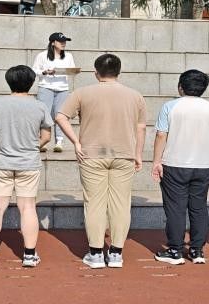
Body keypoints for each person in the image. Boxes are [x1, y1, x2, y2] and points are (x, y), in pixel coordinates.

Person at [56, 53, 147, 269]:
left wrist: (76, 142)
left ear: (96, 72)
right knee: (121, 204)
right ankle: (116, 253)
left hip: (91, 154)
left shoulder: (82, 93)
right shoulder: (135, 96)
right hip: (124, 154)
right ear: (119, 71)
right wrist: (138, 153)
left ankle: (96, 253)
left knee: (94, 204)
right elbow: (141, 127)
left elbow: (60, 116)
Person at [0, 65, 53, 268]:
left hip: (0, 162)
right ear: (31, 82)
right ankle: (29, 255)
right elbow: (46, 136)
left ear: (8, 81)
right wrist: (32, 147)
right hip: (28, 162)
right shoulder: (40, 106)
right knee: (28, 207)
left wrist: (2, 146)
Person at [151, 70, 209, 266]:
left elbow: (161, 135)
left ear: (181, 87)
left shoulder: (170, 106)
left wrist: (156, 161)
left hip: (174, 164)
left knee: (175, 209)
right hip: (203, 165)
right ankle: (197, 250)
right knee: (199, 208)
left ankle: (175, 250)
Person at [32, 32, 76, 152]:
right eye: (60, 41)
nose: (63, 43)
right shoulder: (42, 55)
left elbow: (72, 70)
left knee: (60, 115)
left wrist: (67, 71)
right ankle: (43, 140)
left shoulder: (68, 56)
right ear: (53, 43)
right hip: (46, 87)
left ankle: (59, 142)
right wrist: (45, 72)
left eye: (64, 41)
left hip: (62, 88)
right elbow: (34, 70)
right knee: (44, 114)